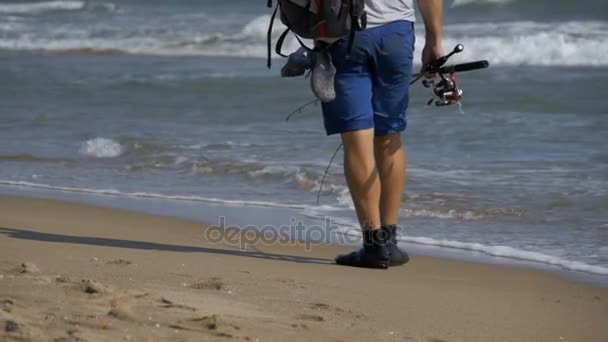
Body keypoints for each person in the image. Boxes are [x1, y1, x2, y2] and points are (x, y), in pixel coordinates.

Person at [323, 0, 444, 268]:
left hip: (344, 33)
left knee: (357, 140)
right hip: (396, 34)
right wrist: (435, 40)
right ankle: (389, 241)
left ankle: (373, 246)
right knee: (390, 136)